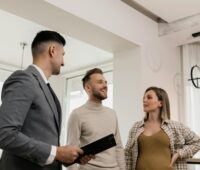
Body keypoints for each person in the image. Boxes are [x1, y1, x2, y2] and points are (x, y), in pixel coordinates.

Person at [0, 30, 91, 170]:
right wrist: (56, 152)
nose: (63, 63)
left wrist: (64, 156)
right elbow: (4, 133)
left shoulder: (44, 86)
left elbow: (44, 139)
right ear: (52, 51)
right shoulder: (24, 79)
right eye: (63, 55)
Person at [125, 86, 200, 170]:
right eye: (144, 98)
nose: (144, 100)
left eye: (149, 97)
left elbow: (197, 142)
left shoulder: (175, 126)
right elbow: (128, 155)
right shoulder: (136, 127)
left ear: (160, 103)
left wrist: (178, 154)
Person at [67, 68, 126, 170]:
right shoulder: (77, 114)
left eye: (105, 82)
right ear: (88, 87)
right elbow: (71, 152)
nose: (105, 85)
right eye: (100, 82)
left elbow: (119, 148)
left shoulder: (112, 114)